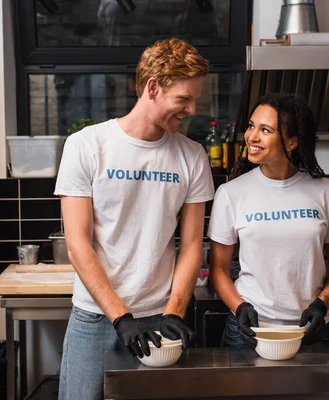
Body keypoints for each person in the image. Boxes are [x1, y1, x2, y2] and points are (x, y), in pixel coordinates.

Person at [54, 38, 214, 400]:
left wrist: (175, 311)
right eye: (183, 99)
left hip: (159, 319)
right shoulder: (86, 145)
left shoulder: (192, 157)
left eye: (194, 99)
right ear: (153, 88)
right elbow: (77, 243)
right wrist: (120, 317)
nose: (191, 109)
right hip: (94, 318)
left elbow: (191, 244)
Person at [207, 93, 329, 349]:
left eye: (265, 130)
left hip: (310, 330)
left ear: (292, 141)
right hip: (251, 331)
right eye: (251, 126)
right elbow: (218, 268)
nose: (251, 136)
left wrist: (323, 303)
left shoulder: (326, 190)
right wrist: (239, 307)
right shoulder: (231, 193)